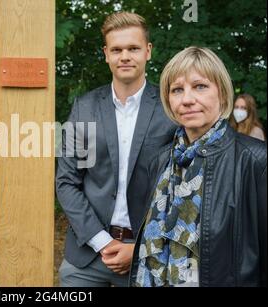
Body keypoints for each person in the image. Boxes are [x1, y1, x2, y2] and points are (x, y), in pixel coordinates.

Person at [56, 11, 177, 287]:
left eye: (133, 48)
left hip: (148, 252)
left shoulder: (170, 110)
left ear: (148, 51)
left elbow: (178, 189)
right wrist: (102, 241)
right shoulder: (84, 107)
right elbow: (67, 181)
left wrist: (138, 247)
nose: (125, 56)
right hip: (87, 254)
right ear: (106, 54)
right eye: (117, 49)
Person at [130, 47, 266, 287]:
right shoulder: (159, 162)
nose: (187, 99)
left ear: (223, 94)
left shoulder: (255, 160)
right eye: (177, 89)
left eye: (200, 86)